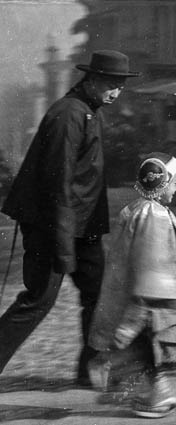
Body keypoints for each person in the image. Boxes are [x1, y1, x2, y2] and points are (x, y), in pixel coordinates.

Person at [0, 50, 139, 384]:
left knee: (99, 295)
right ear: (90, 79)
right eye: (110, 83)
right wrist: (63, 248)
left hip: (82, 228)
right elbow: (58, 183)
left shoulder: (88, 111)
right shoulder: (69, 115)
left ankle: (91, 371)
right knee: (38, 300)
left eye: (120, 85)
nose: (116, 92)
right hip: (54, 226)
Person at [88, 152, 176, 418]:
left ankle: (147, 394)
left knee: (149, 352)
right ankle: (157, 399)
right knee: (163, 353)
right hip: (162, 305)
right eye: (174, 182)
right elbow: (154, 266)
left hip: (150, 300)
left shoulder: (138, 210)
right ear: (162, 184)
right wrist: (155, 305)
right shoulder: (155, 217)